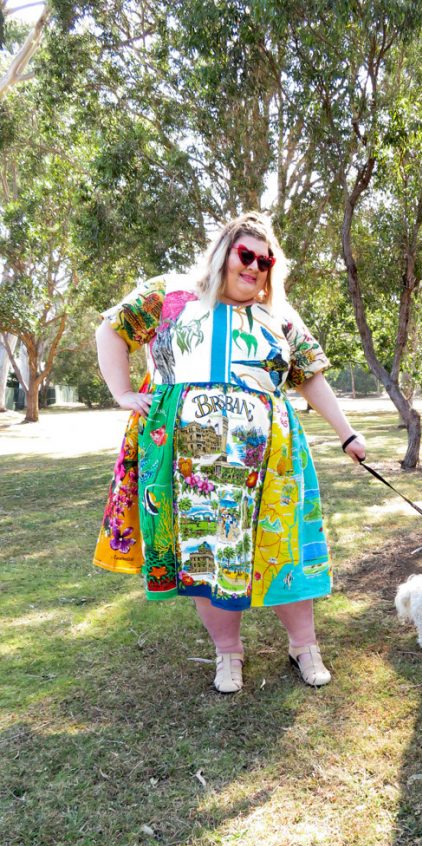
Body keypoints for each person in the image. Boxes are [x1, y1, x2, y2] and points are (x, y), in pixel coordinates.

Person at [94, 212, 366, 693]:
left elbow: (311, 376)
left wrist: (347, 434)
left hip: (271, 459)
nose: (255, 268)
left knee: (285, 549)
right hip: (188, 463)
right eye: (246, 255)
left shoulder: (279, 313)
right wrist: (121, 392)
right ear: (223, 253)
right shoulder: (170, 293)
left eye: (265, 261)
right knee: (206, 554)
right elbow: (111, 330)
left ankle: (304, 647)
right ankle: (228, 655)